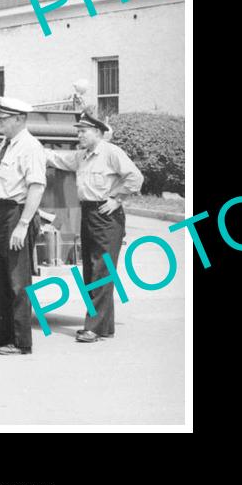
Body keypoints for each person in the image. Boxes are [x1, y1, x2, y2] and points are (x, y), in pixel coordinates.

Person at [46, 112, 143, 342]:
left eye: (84, 131)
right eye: (78, 131)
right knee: (91, 271)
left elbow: (135, 177)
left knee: (101, 270)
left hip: (106, 215)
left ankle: (93, 328)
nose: (79, 135)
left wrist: (117, 199)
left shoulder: (111, 153)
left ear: (98, 133)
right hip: (88, 213)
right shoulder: (82, 156)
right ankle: (104, 327)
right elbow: (59, 159)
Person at [0, 96, 47, 356]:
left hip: (16, 215)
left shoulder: (30, 147)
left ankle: (21, 342)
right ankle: (0, 335)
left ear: (19, 119)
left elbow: (36, 187)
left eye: (3, 118)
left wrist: (23, 224)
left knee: (18, 282)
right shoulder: (7, 144)